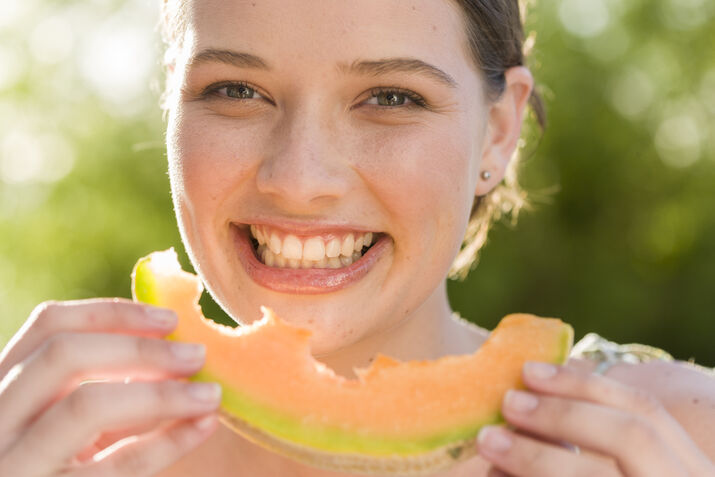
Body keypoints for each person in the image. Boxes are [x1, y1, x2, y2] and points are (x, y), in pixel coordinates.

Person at [0, 1, 713, 476]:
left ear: (498, 130)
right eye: (234, 91)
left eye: (391, 98)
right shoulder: (54, 445)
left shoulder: (685, 435)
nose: (299, 178)